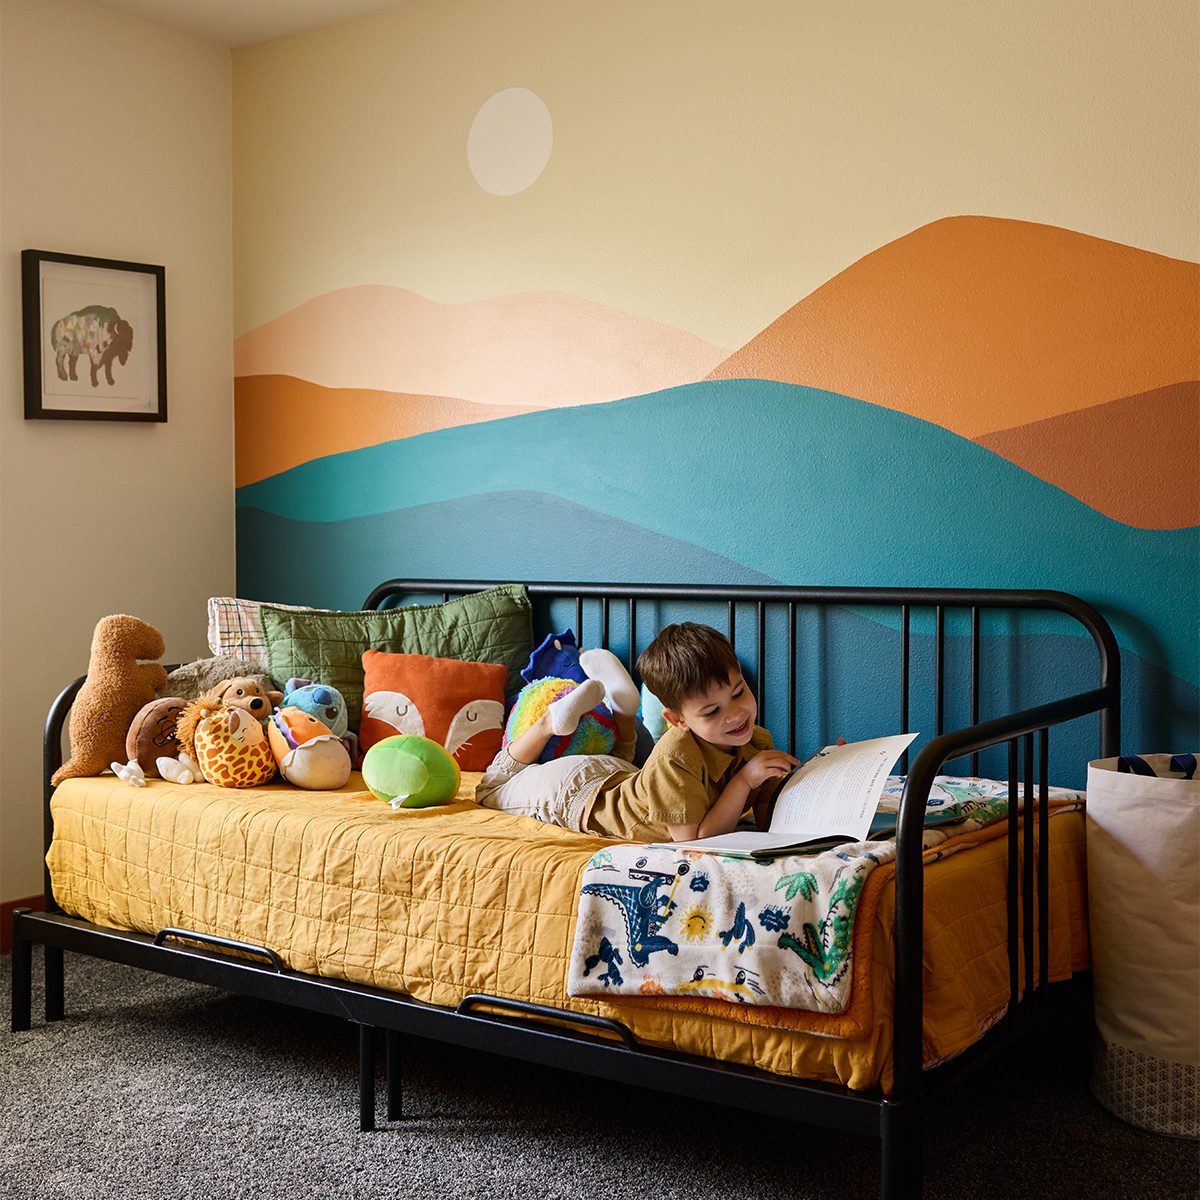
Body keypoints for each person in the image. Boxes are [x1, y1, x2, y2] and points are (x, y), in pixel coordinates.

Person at [474, 622, 799, 841]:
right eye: (713, 711)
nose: (735, 714)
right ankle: (549, 722)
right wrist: (744, 781)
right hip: (569, 794)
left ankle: (622, 711)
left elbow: (769, 817)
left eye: (739, 692)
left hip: (616, 773)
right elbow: (693, 843)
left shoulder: (757, 741)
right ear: (677, 720)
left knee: (627, 761)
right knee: (491, 788)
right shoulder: (676, 756)